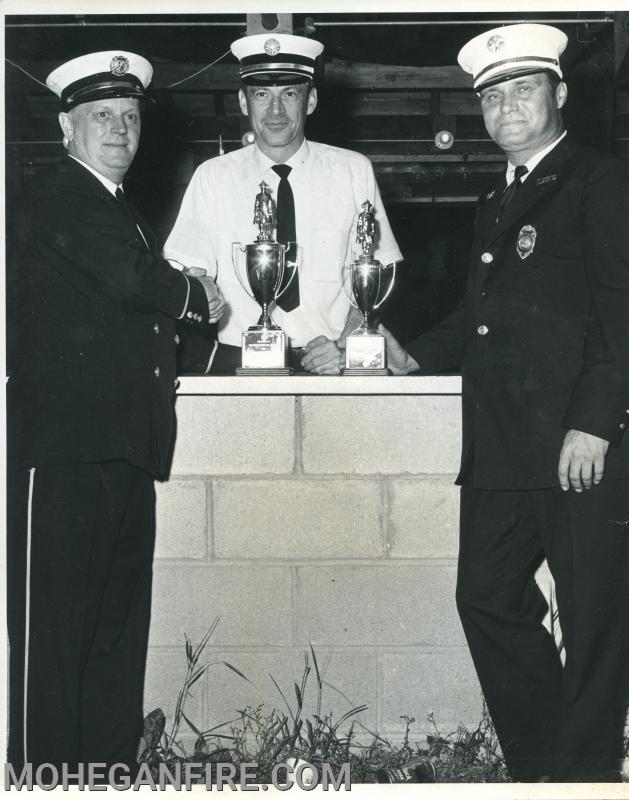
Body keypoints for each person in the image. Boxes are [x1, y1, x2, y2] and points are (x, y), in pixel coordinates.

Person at [380, 23, 629, 782]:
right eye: (491, 96)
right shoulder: (497, 198)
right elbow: (478, 314)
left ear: (560, 93)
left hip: (576, 444)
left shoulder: (600, 179)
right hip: (501, 447)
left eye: (522, 89)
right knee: (485, 597)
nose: (506, 108)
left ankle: (577, 778)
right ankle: (550, 760)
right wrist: (415, 353)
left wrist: (595, 423)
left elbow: (627, 314)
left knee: (594, 619)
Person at [6, 50, 224, 780]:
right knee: (59, 639)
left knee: (113, 638)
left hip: (122, 451)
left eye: (130, 118)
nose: (120, 129)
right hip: (64, 454)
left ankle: (103, 779)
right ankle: (43, 781)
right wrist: (197, 295)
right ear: (67, 126)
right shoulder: (58, 193)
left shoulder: (120, 211)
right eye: (102, 116)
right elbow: (134, 282)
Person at [164, 32, 402, 374]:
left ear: (311, 101)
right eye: (262, 94)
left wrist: (345, 344)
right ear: (244, 103)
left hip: (329, 361)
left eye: (290, 94)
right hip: (241, 361)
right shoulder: (212, 176)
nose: (275, 110)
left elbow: (380, 270)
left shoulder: (353, 169)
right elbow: (188, 270)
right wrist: (194, 283)